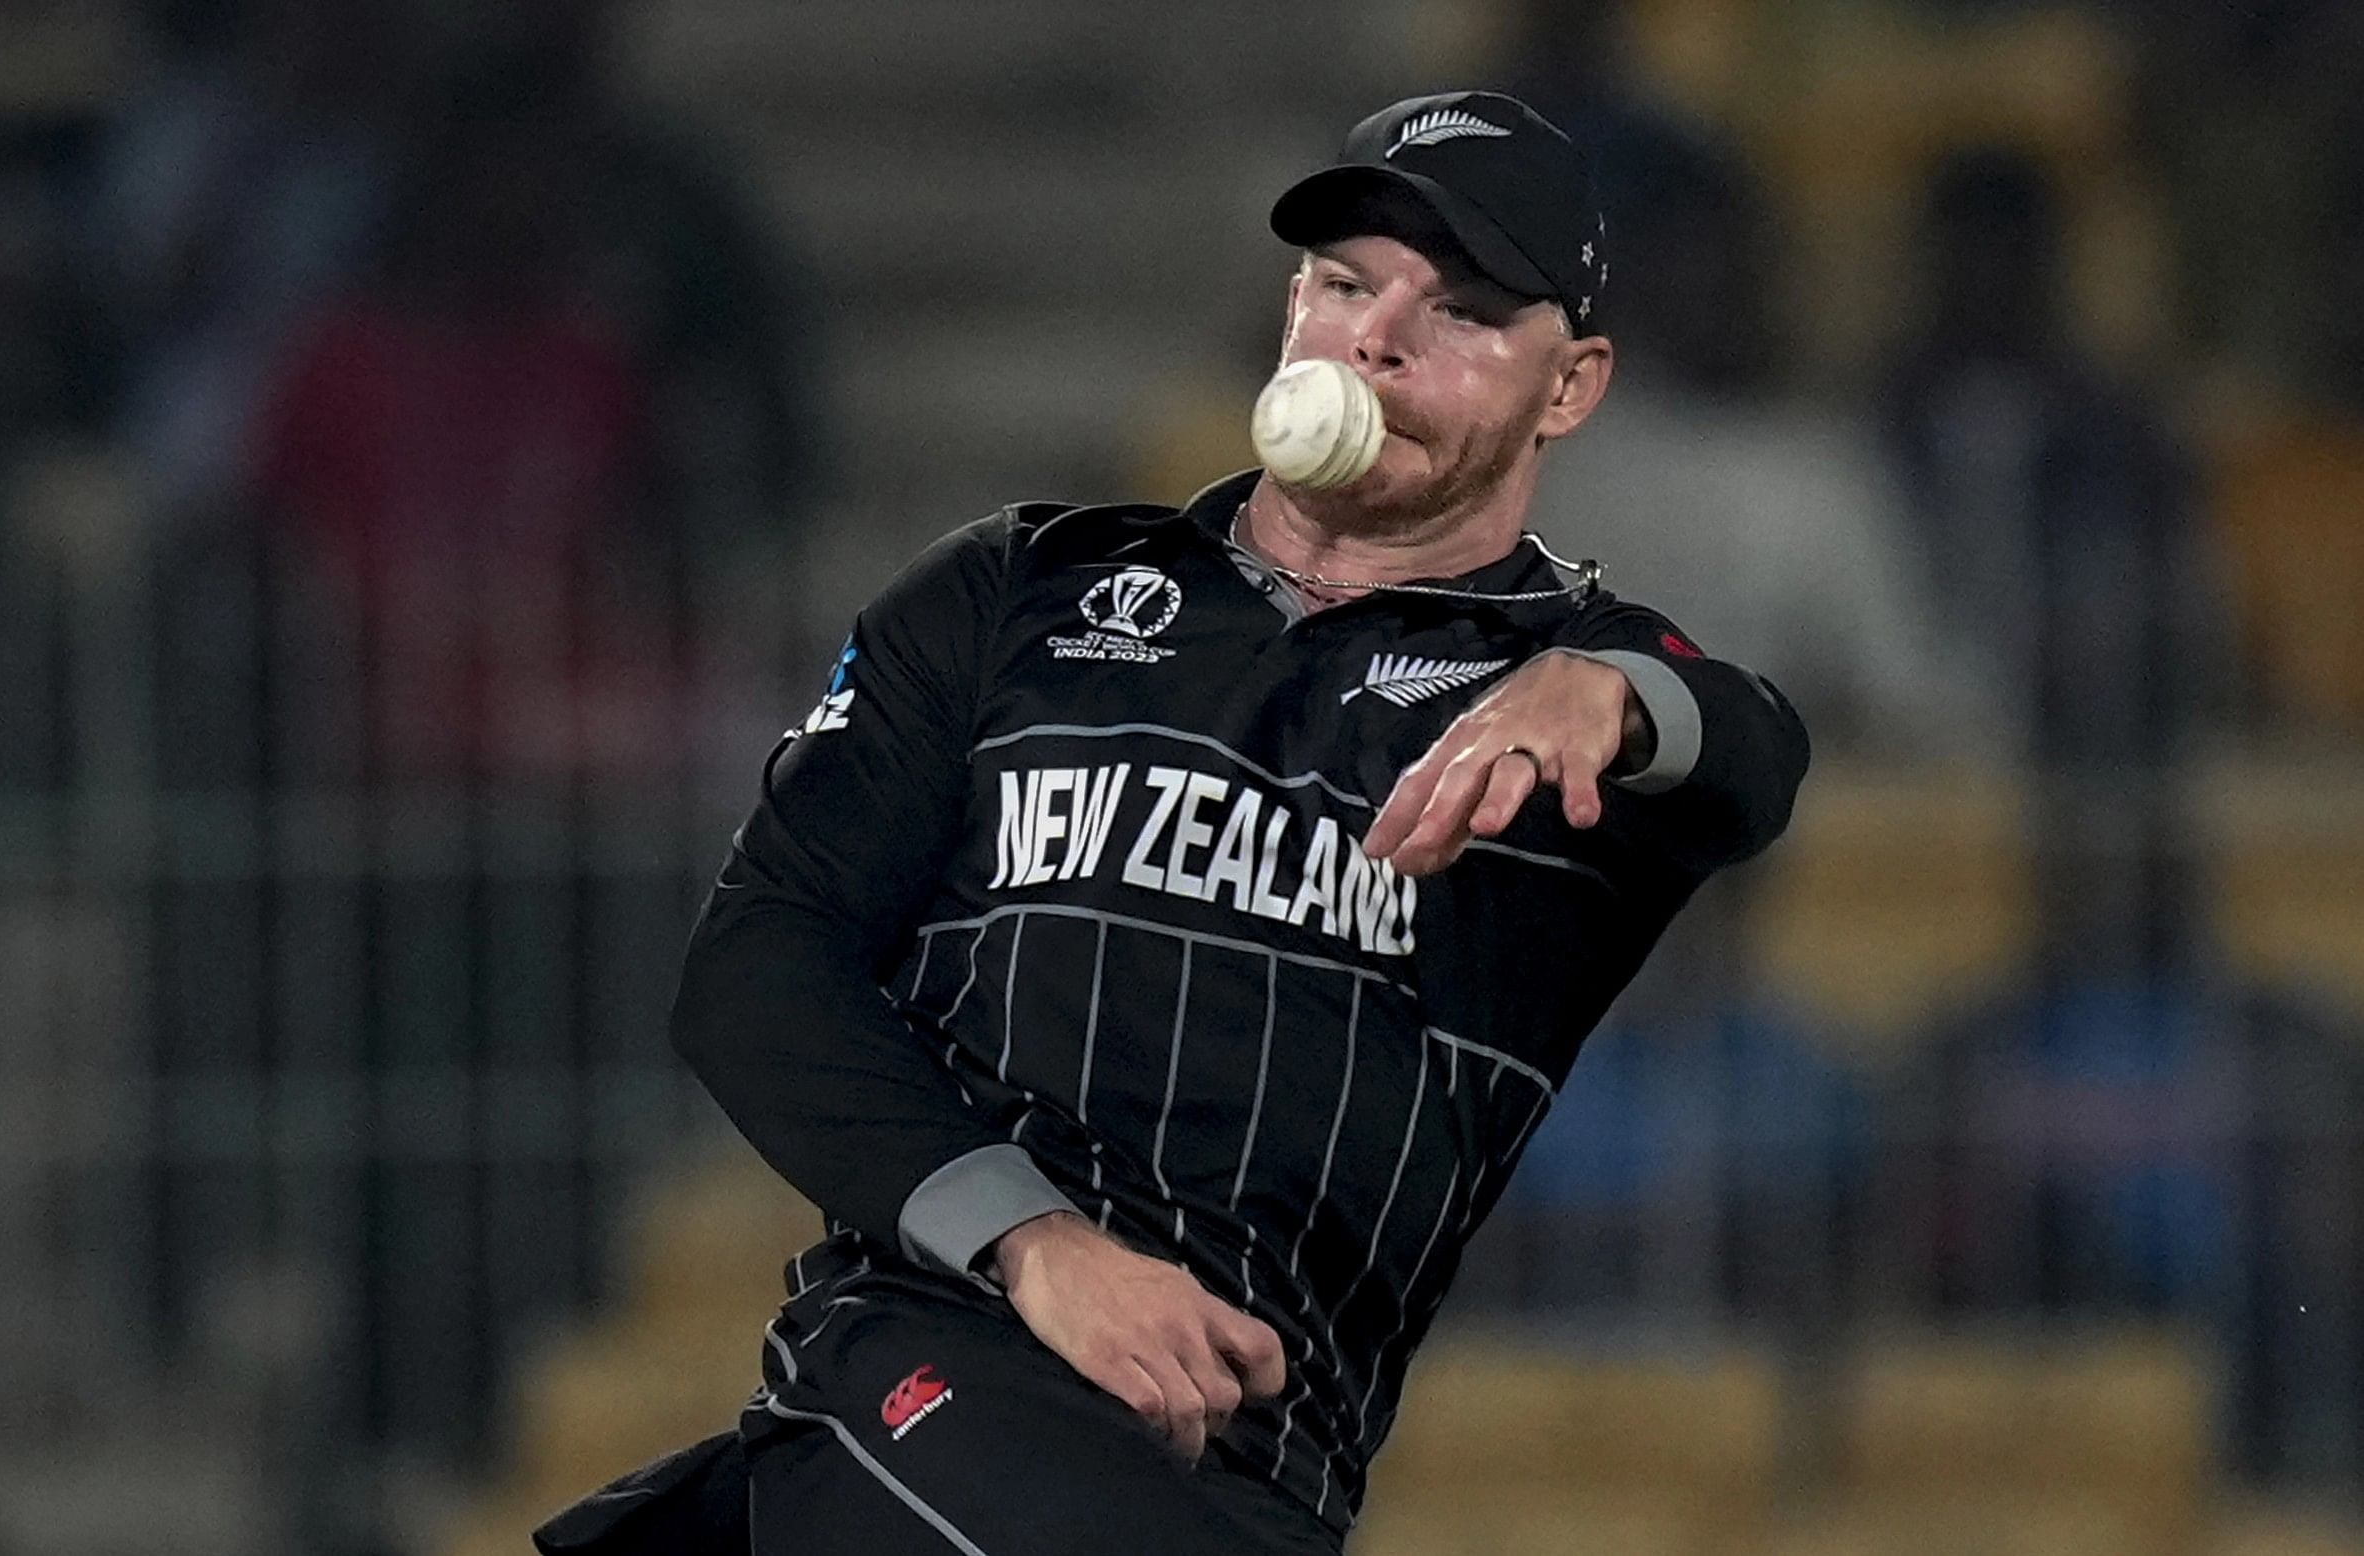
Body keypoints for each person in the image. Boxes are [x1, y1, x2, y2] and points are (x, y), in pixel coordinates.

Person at [535, 90, 1810, 1555]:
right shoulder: (1019, 589)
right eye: (1344, 284)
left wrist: (1622, 696)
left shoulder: (1561, 702)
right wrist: (1037, 1245)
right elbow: (755, 967)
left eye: (1456, 311)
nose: (1375, 339)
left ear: (1571, 387)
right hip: (941, 1356)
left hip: (1250, 1459)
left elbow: (1759, 757)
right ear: (1292, 310)